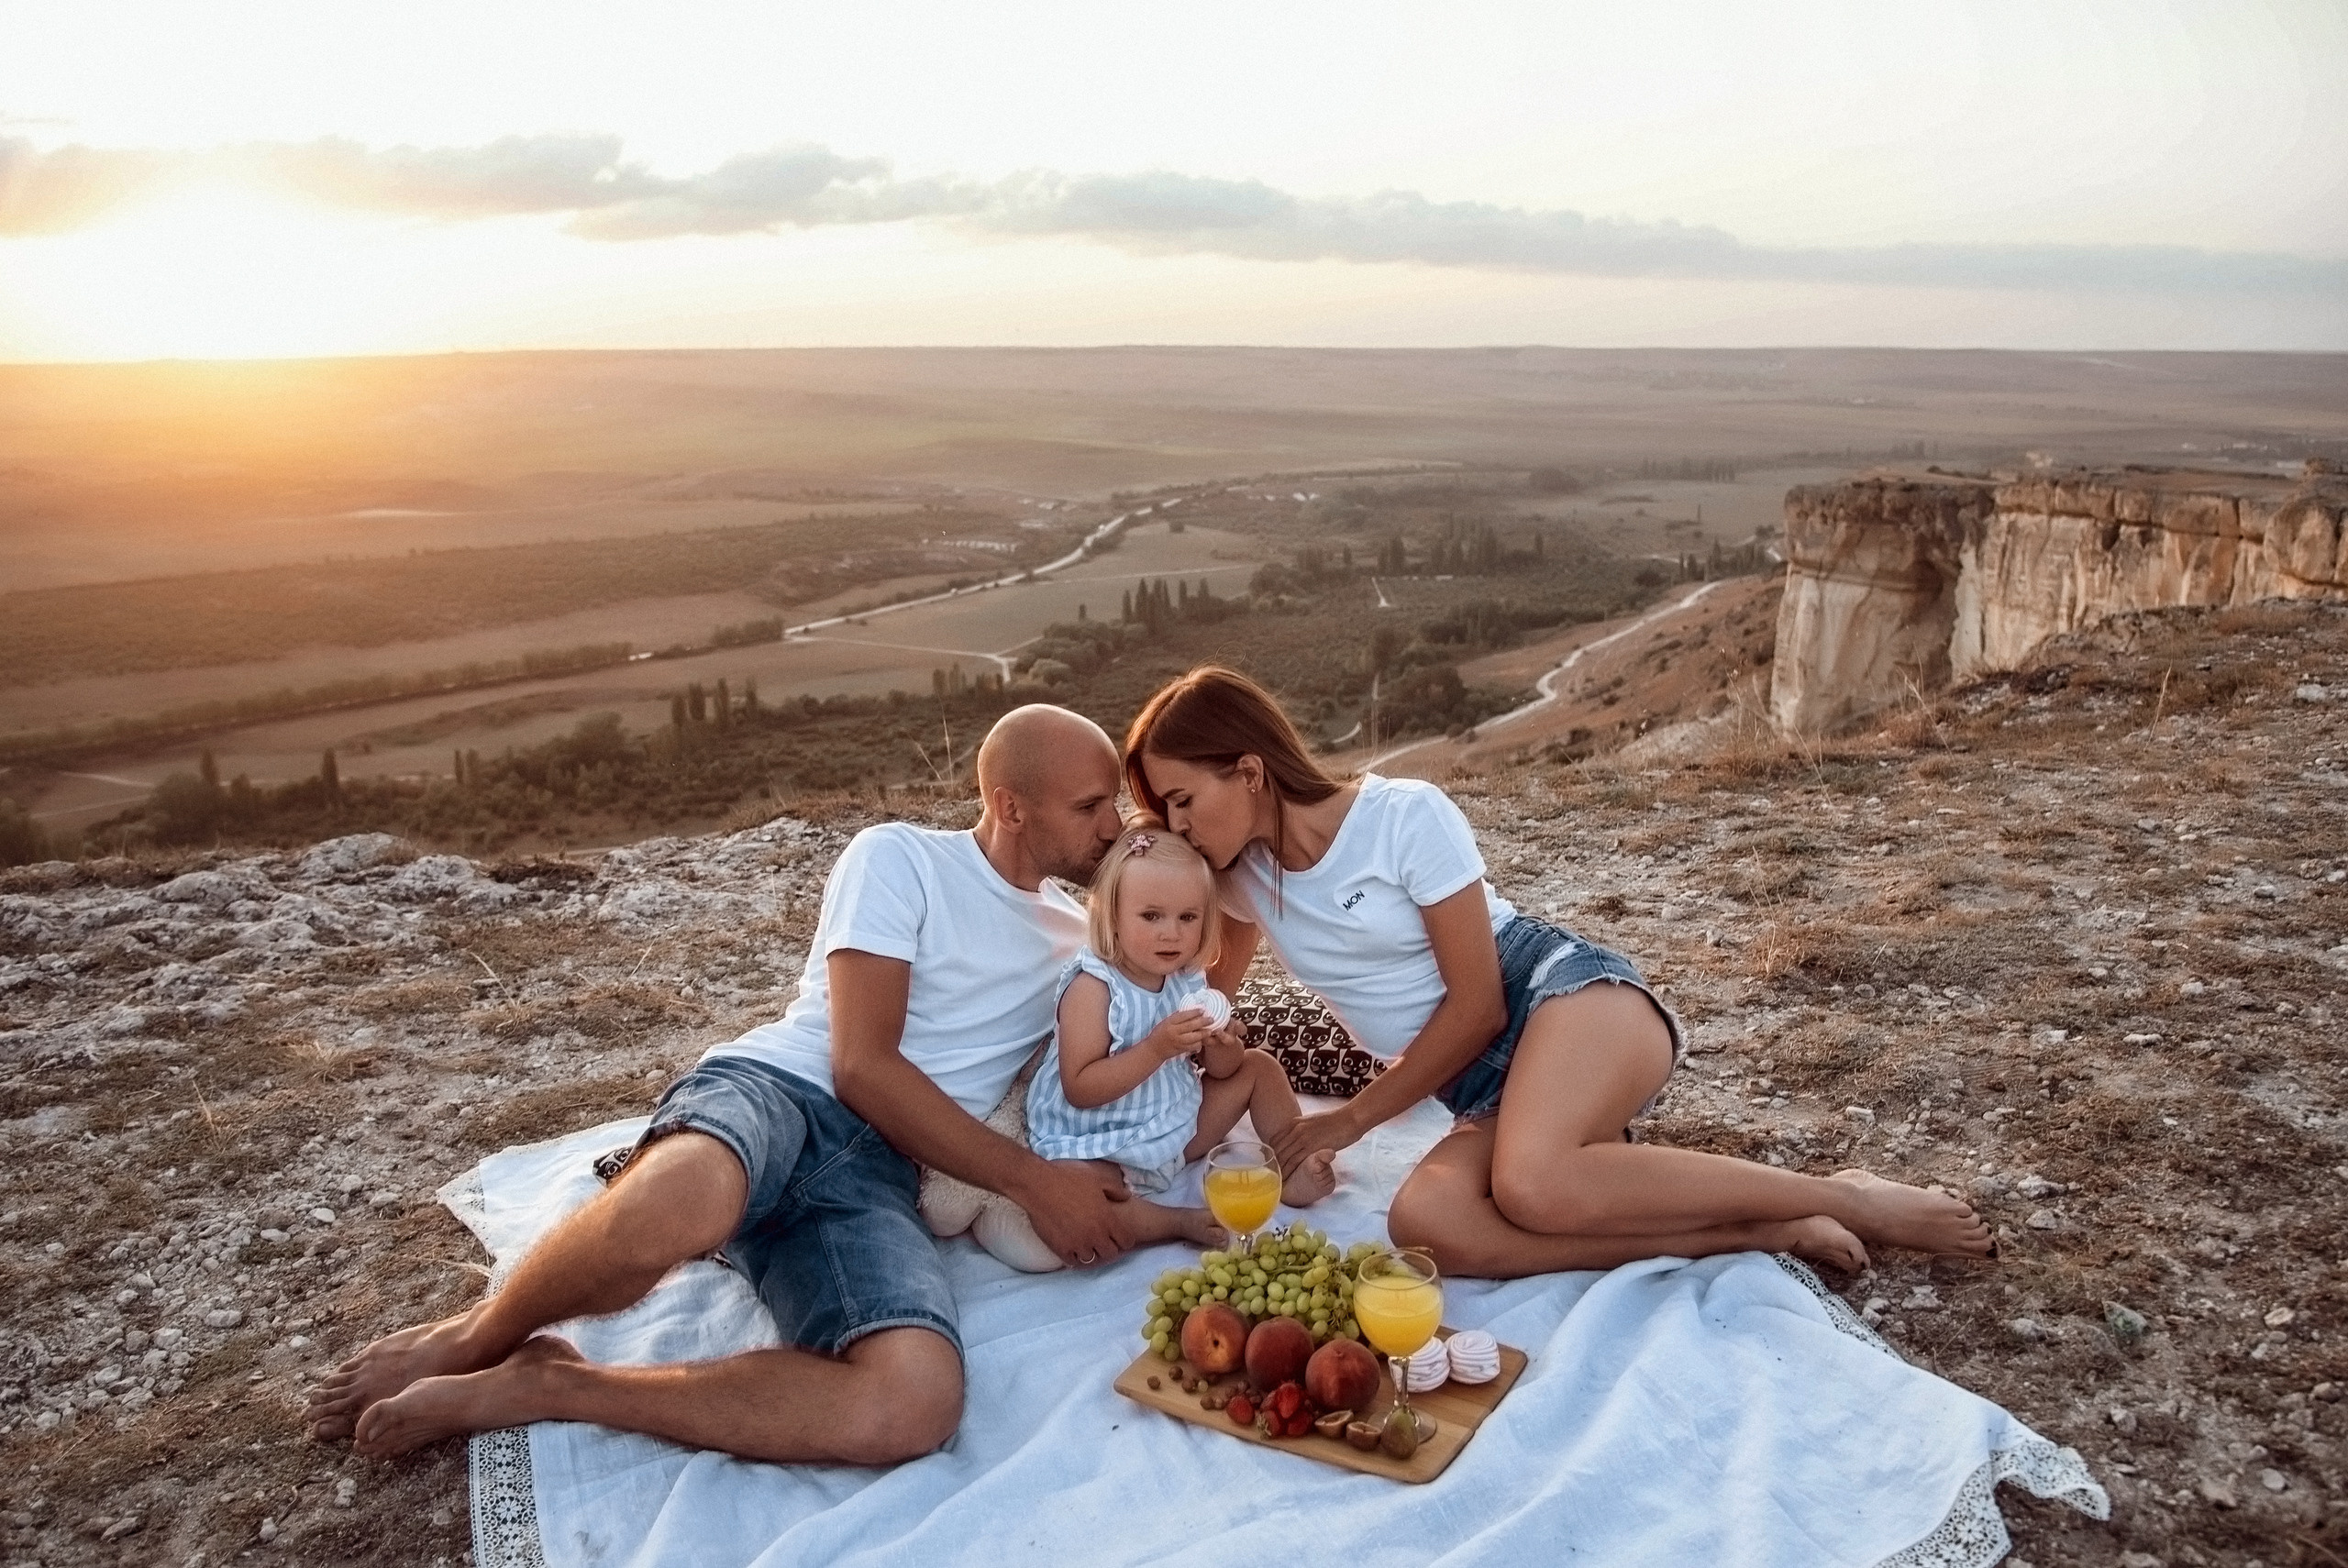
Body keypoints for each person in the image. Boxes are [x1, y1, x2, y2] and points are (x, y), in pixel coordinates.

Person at [305, 705, 1164, 1463]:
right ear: (1010, 806)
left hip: (880, 1181)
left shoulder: (1081, 940)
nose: (1112, 827)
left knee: (913, 1405)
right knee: (676, 1204)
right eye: (1091, 806)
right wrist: (1031, 1183)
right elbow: (861, 1064)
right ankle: (475, 1337)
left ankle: (557, 1385)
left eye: (1116, 806)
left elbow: (1186, 992)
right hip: (780, 1093)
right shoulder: (900, 858)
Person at [1124, 666, 1996, 1280]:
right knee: (1429, 1227)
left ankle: (1849, 1196)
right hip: (1478, 1087)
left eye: (1184, 800)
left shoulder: (1401, 816)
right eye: (1165, 809)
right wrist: (1175, 1053)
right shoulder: (1239, 881)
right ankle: (1753, 1231)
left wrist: (1349, 1122)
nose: (1178, 823)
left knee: (1533, 1186)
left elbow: (1478, 1006)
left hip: (1559, 996)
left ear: (1249, 771)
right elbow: (1207, 998)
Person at [969, 823, 1332, 1270]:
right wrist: (1156, 1049)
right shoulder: (1093, 988)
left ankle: (1292, 1164)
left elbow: (1220, 1070)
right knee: (1077, 1195)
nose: (1171, 934)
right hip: (1100, 1141)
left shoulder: (1186, 978)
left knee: (1258, 1068)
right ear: (1113, 917)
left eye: (1187, 918)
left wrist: (1222, 1046)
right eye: (1151, 916)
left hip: (1172, 1122)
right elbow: (1080, 1087)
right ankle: (1172, 1222)